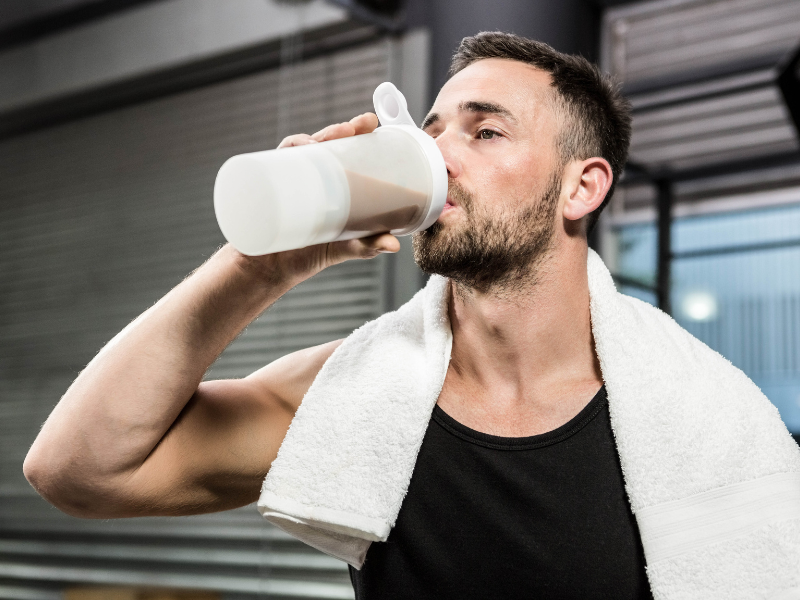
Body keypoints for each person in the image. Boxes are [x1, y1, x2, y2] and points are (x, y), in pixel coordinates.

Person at [24, 32, 651, 597]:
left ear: (582, 188)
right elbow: (77, 472)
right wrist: (261, 265)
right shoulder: (360, 391)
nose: (440, 157)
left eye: (485, 132)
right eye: (431, 134)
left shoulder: (682, 412)